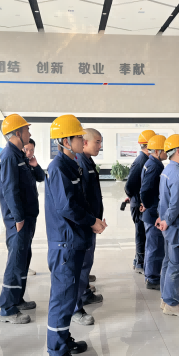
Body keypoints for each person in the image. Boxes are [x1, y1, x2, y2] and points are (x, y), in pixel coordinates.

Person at [45, 115, 107, 356]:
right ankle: (57, 352)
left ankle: (64, 339)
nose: (83, 140)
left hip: (75, 239)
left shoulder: (72, 165)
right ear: (65, 141)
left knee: (69, 295)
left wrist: (93, 220)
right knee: (62, 299)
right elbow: (67, 207)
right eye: (79, 137)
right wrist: (91, 221)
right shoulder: (58, 167)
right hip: (65, 243)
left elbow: (81, 201)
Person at [0, 114, 45, 324]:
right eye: (26, 130)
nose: (29, 133)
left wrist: (34, 164)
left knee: (24, 257)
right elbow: (10, 190)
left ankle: (17, 299)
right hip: (19, 219)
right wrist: (17, 217)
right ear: (17, 132)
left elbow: (40, 178)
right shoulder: (9, 156)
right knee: (16, 260)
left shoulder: (20, 155)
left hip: (27, 216)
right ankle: (7, 308)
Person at [72, 128, 104, 326]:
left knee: (86, 263)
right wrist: (92, 221)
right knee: (82, 264)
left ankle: (84, 293)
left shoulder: (88, 161)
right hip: (86, 224)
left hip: (92, 222)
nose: (100, 146)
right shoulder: (80, 163)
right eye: (97, 142)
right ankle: (76, 307)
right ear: (85, 142)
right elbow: (81, 199)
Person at [157, 134, 179, 318]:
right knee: (177, 266)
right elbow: (176, 202)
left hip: (169, 227)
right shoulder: (178, 174)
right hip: (177, 227)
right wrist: (168, 219)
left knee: (168, 263)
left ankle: (166, 298)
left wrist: (162, 218)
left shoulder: (168, 170)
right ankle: (172, 303)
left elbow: (163, 198)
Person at [125, 130, 156, 274]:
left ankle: (138, 260)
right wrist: (135, 198)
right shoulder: (141, 161)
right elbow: (129, 186)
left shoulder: (145, 160)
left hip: (138, 202)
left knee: (142, 233)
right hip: (139, 204)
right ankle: (140, 262)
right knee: (141, 234)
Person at [140, 134, 168, 290]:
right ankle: (152, 278)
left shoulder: (150, 162)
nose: (167, 152)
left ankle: (150, 275)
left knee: (152, 246)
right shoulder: (155, 166)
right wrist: (149, 205)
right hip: (152, 214)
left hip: (150, 212)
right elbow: (145, 190)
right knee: (155, 246)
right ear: (157, 151)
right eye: (165, 150)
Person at [23, 138, 44, 276]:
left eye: (32, 150)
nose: (29, 153)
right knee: (22, 242)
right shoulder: (18, 164)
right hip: (22, 211)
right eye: (26, 149)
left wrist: (36, 166)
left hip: (32, 209)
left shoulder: (30, 163)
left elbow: (41, 177)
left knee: (28, 240)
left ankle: (26, 266)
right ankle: (22, 267)